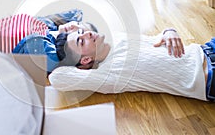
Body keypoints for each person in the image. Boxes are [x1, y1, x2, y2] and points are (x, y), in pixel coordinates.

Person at [55, 27, 215, 101]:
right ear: (85, 60)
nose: (87, 33)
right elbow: (58, 78)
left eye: (82, 32)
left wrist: (168, 32)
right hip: (209, 76)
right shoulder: (109, 75)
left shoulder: (116, 36)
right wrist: (58, 33)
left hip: (206, 49)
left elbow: (155, 41)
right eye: (81, 41)